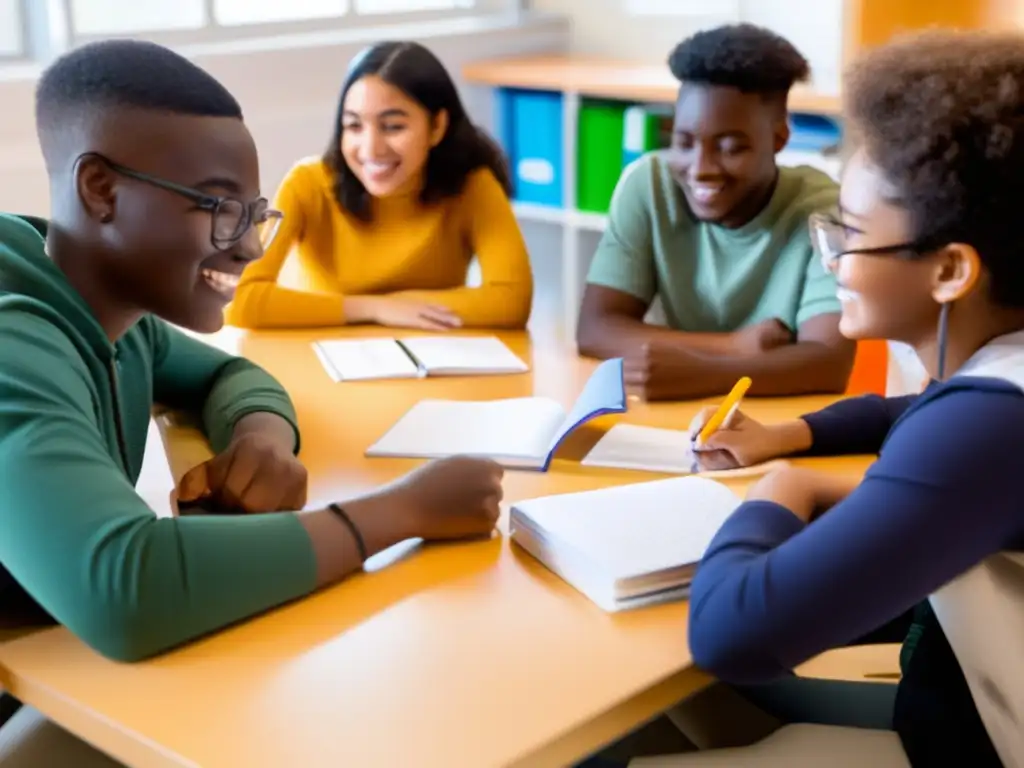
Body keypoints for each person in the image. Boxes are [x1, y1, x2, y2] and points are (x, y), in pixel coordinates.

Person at [0, 39, 504, 765]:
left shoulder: (112, 316)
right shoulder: (15, 340)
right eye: (220, 210)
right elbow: (126, 587)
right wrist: (401, 512)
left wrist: (262, 441)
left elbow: (232, 379)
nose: (249, 250)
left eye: (253, 214)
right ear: (102, 190)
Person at [585, 27, 1024, 768]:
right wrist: (791, 437)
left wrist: (781, 491)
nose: (835, 258)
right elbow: (905, 417)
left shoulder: (986, 428)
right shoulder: (994, 383)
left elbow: (732, 633)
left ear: (950, 270)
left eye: (849, 235)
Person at [576, 24, 854, 401]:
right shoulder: (650, 184)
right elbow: (595, 328)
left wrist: (705, 373)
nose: (700, 167)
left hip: (777, 419)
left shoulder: (823, 211)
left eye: (729, 147)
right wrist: (730, 348)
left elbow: (827, 362)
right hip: (671, 414)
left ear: (778, 139)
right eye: (684, 141)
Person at [224, 41, 533, 331]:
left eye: (393, 126)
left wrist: (396, 306)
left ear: (437, 126)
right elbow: (239, 299)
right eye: (354, 125)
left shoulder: (472, 186)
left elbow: (511, 300)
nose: (370, 148)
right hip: (325, 362)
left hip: (430, 361)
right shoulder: (308, 183)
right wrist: (371, 309)